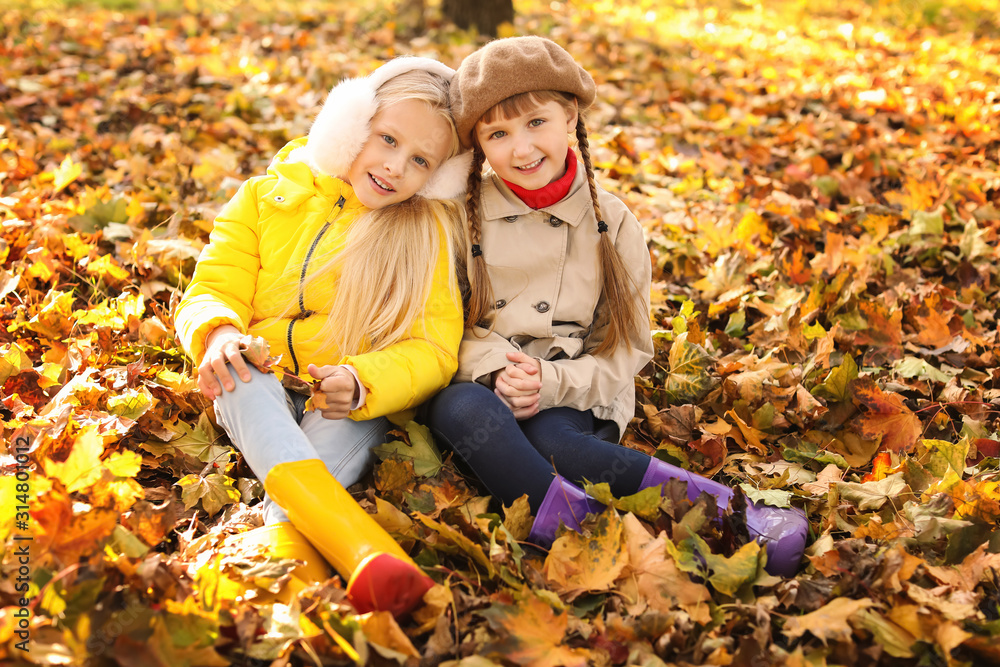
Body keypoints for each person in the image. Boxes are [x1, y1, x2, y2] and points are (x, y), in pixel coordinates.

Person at [426, 36, 808, 576]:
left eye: (536, 122)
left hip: (576, 390)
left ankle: (728, 510)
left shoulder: (613, 222)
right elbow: (439, 322)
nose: (521, 148)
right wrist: (498, 371)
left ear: (569, 114)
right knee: (459, 410)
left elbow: (625, 349)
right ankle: (589, 536)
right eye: (498, 133)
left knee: (560, 444)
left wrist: (551, 382)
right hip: (484, 387)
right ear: (479, 145)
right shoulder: (458, 218)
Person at [174, 57, 471, 616]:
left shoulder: (422, 235)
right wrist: (219, 335)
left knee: (328, 442)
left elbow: (433, 349)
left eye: (419, 160)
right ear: (349, 123)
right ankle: (360, 549)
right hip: (256, 379)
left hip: (344, 405)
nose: (394, 166)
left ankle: (289, 584)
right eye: (386, 138)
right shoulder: (265, 197)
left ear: (437, 176)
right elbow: (215, 285)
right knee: (242, 377)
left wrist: (362, 383)